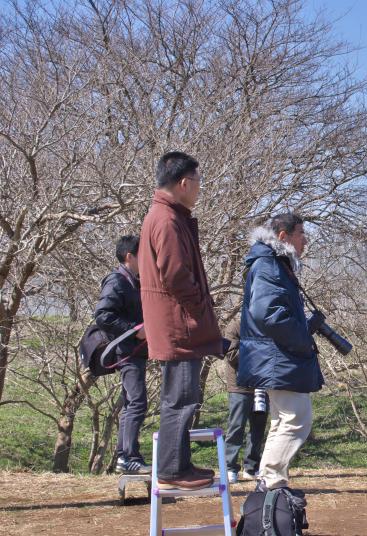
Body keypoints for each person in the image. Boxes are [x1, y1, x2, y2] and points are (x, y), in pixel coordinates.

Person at [138, 151, 222, 490]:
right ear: (184, 182)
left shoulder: (165, 215)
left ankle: (180, 463)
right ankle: (172, 469)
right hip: (178, 325)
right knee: (180, 399)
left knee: (182, 397)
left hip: (176, 323)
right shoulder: (167, 219)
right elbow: (174, 276)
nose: (200, 188)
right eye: (198, 181)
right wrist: (200, 306)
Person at [237, 213, 324, 491]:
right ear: (284, 237)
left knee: (283, 421)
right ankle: (270, 480)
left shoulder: (272, 264)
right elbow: (268, 314)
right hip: (279, 356)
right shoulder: (268, 265)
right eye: (301, 234)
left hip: (276, 356)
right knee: (297, 418)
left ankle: (271, 481)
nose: (306, 241)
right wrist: (301, 340)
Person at [94, 235, 150, 475]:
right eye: (142, 254)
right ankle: (129, 456)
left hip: (134, 351)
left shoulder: (132, 281)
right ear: (130, 256)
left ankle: (123, 456)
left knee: (130, 404)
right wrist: (135, 331)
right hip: (126, 351)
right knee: (137, 402)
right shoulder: (117, 281)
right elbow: (103, 315)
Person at [222, 314, 268, 484]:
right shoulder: (234, 327)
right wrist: (258, 351)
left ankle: (251, 467)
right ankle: (230, 468)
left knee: (258, 429)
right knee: (236, 427)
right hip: (239, 387)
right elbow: (232, 355)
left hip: (262, 385)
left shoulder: (265, 327)